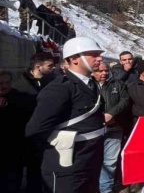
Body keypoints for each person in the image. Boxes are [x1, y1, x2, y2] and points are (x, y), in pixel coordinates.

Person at [25, 37, 106, 193]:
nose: (99, 58)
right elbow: (34, 129)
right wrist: (60, 144)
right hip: (67, 167)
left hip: (90, 163)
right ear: (75, 59)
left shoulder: (91, 84)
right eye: (93, 54)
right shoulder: (60, 88)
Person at [12, 52, 55, 193]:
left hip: (41, 136)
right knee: (15, 174)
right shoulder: (18, 85)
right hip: (19, 136)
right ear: (38, 67)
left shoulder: (52, 81)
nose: (53, 68)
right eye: (50, 66)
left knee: (36, 172)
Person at [93, 62, 130, 193]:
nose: (104, 73)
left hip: (114, 128)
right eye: (100, 71)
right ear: (92, 72)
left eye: (106, 71)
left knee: (110, 161)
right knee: (92, 161)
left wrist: (111, 113)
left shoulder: (118, 84)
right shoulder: (89, 85)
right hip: (93, 131)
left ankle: (106, 189)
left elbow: (125, 100)